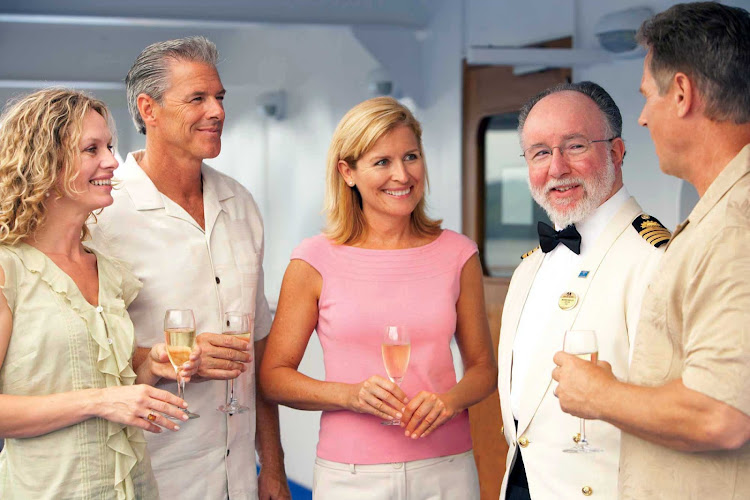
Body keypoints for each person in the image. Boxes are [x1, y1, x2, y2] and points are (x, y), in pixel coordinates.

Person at [552, 3, 750, 499]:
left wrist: (599, 394)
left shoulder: (736, 225)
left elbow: (720, 416)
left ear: (681, 93)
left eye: (646, 96)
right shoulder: (721, 213)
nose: (640, 118)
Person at [259, 96, 497, 500]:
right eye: (381, 162)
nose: (402, 175)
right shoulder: (313, 260)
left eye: (411, 157)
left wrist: (449, 401)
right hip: (351, 475)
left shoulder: (458, 254)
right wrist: (348, 395)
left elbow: (482, 369)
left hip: (446, 469)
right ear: (347, 172)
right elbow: (274, 378)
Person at [88, 37, 290, 500]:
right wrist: (162, 358)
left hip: (238, 473)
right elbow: (81, 358)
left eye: (219, 97)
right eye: (197, 98)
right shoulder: (103, 214)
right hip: (153, 471)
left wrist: (273, 468)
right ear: (149, 109)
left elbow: (257, 344)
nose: (216, 110)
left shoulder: (240, 203)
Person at [0, 88, 199, 499]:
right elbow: (103, 397)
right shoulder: (8, 269)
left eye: (109, 145)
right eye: (91, 149)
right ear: (43, 163)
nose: (111, 161)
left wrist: (151, 368)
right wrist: (101, 400)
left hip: (134, 488)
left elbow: (113, 385)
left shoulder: (108, 271)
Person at [498, 81, 667, 500]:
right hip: (521, 484)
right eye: (540, 152)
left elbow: (681, 407)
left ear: (617, 151)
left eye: (574, 146)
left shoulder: (659, 259)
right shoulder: (529, 268)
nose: (556, 168)